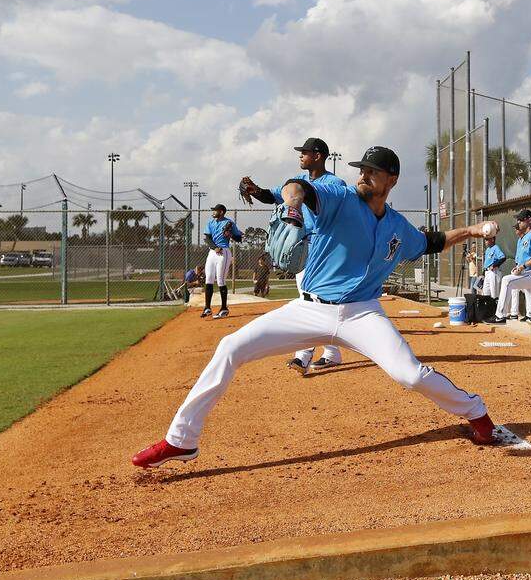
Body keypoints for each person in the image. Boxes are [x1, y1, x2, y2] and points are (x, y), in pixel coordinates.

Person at [132, 146, 508, 468]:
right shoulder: (340, 198)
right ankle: (181, 440)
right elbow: (297, 188)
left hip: (362, 313)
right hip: (309, 309)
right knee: (230, 347)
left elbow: (433, 241)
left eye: (370, 170)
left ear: (390, 179)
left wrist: (473, 231)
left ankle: (477, 413)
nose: (362, 174)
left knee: (409, 375)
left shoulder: (397, 226)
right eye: (360, 169)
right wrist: (292, 206)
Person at [253, 137, 347, 375]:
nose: (300, 156)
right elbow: (272, 195)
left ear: (318, 156)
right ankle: (332, 353)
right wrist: (255, 191)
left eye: (305, 152)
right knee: (317, 301)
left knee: (310, 301)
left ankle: (302, 356)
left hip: (322, 247)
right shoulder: (297, 182)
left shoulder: (334, 183)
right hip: (302, 247)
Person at [485, 210, 531, 335]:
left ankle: (500, 315)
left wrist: (523, 266)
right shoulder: (523, 237)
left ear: (529, 220)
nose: (518, 222)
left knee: (507, 281)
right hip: (528, 273)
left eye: (521, 219)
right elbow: (522, 260)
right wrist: (518, 267)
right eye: (518, 220)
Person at [202, 204, 243, 319]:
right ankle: (207, 308)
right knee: (209, 278)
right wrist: (214, 247)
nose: (213, 212)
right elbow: (207, 238)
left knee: (220, 279)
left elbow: (238, 238)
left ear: (221, 211)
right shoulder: (211, 222)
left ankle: (224, 308)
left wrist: (231, 235)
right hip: (212, 252)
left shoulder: (229, 222)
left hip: (224, 252)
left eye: (215, 210)